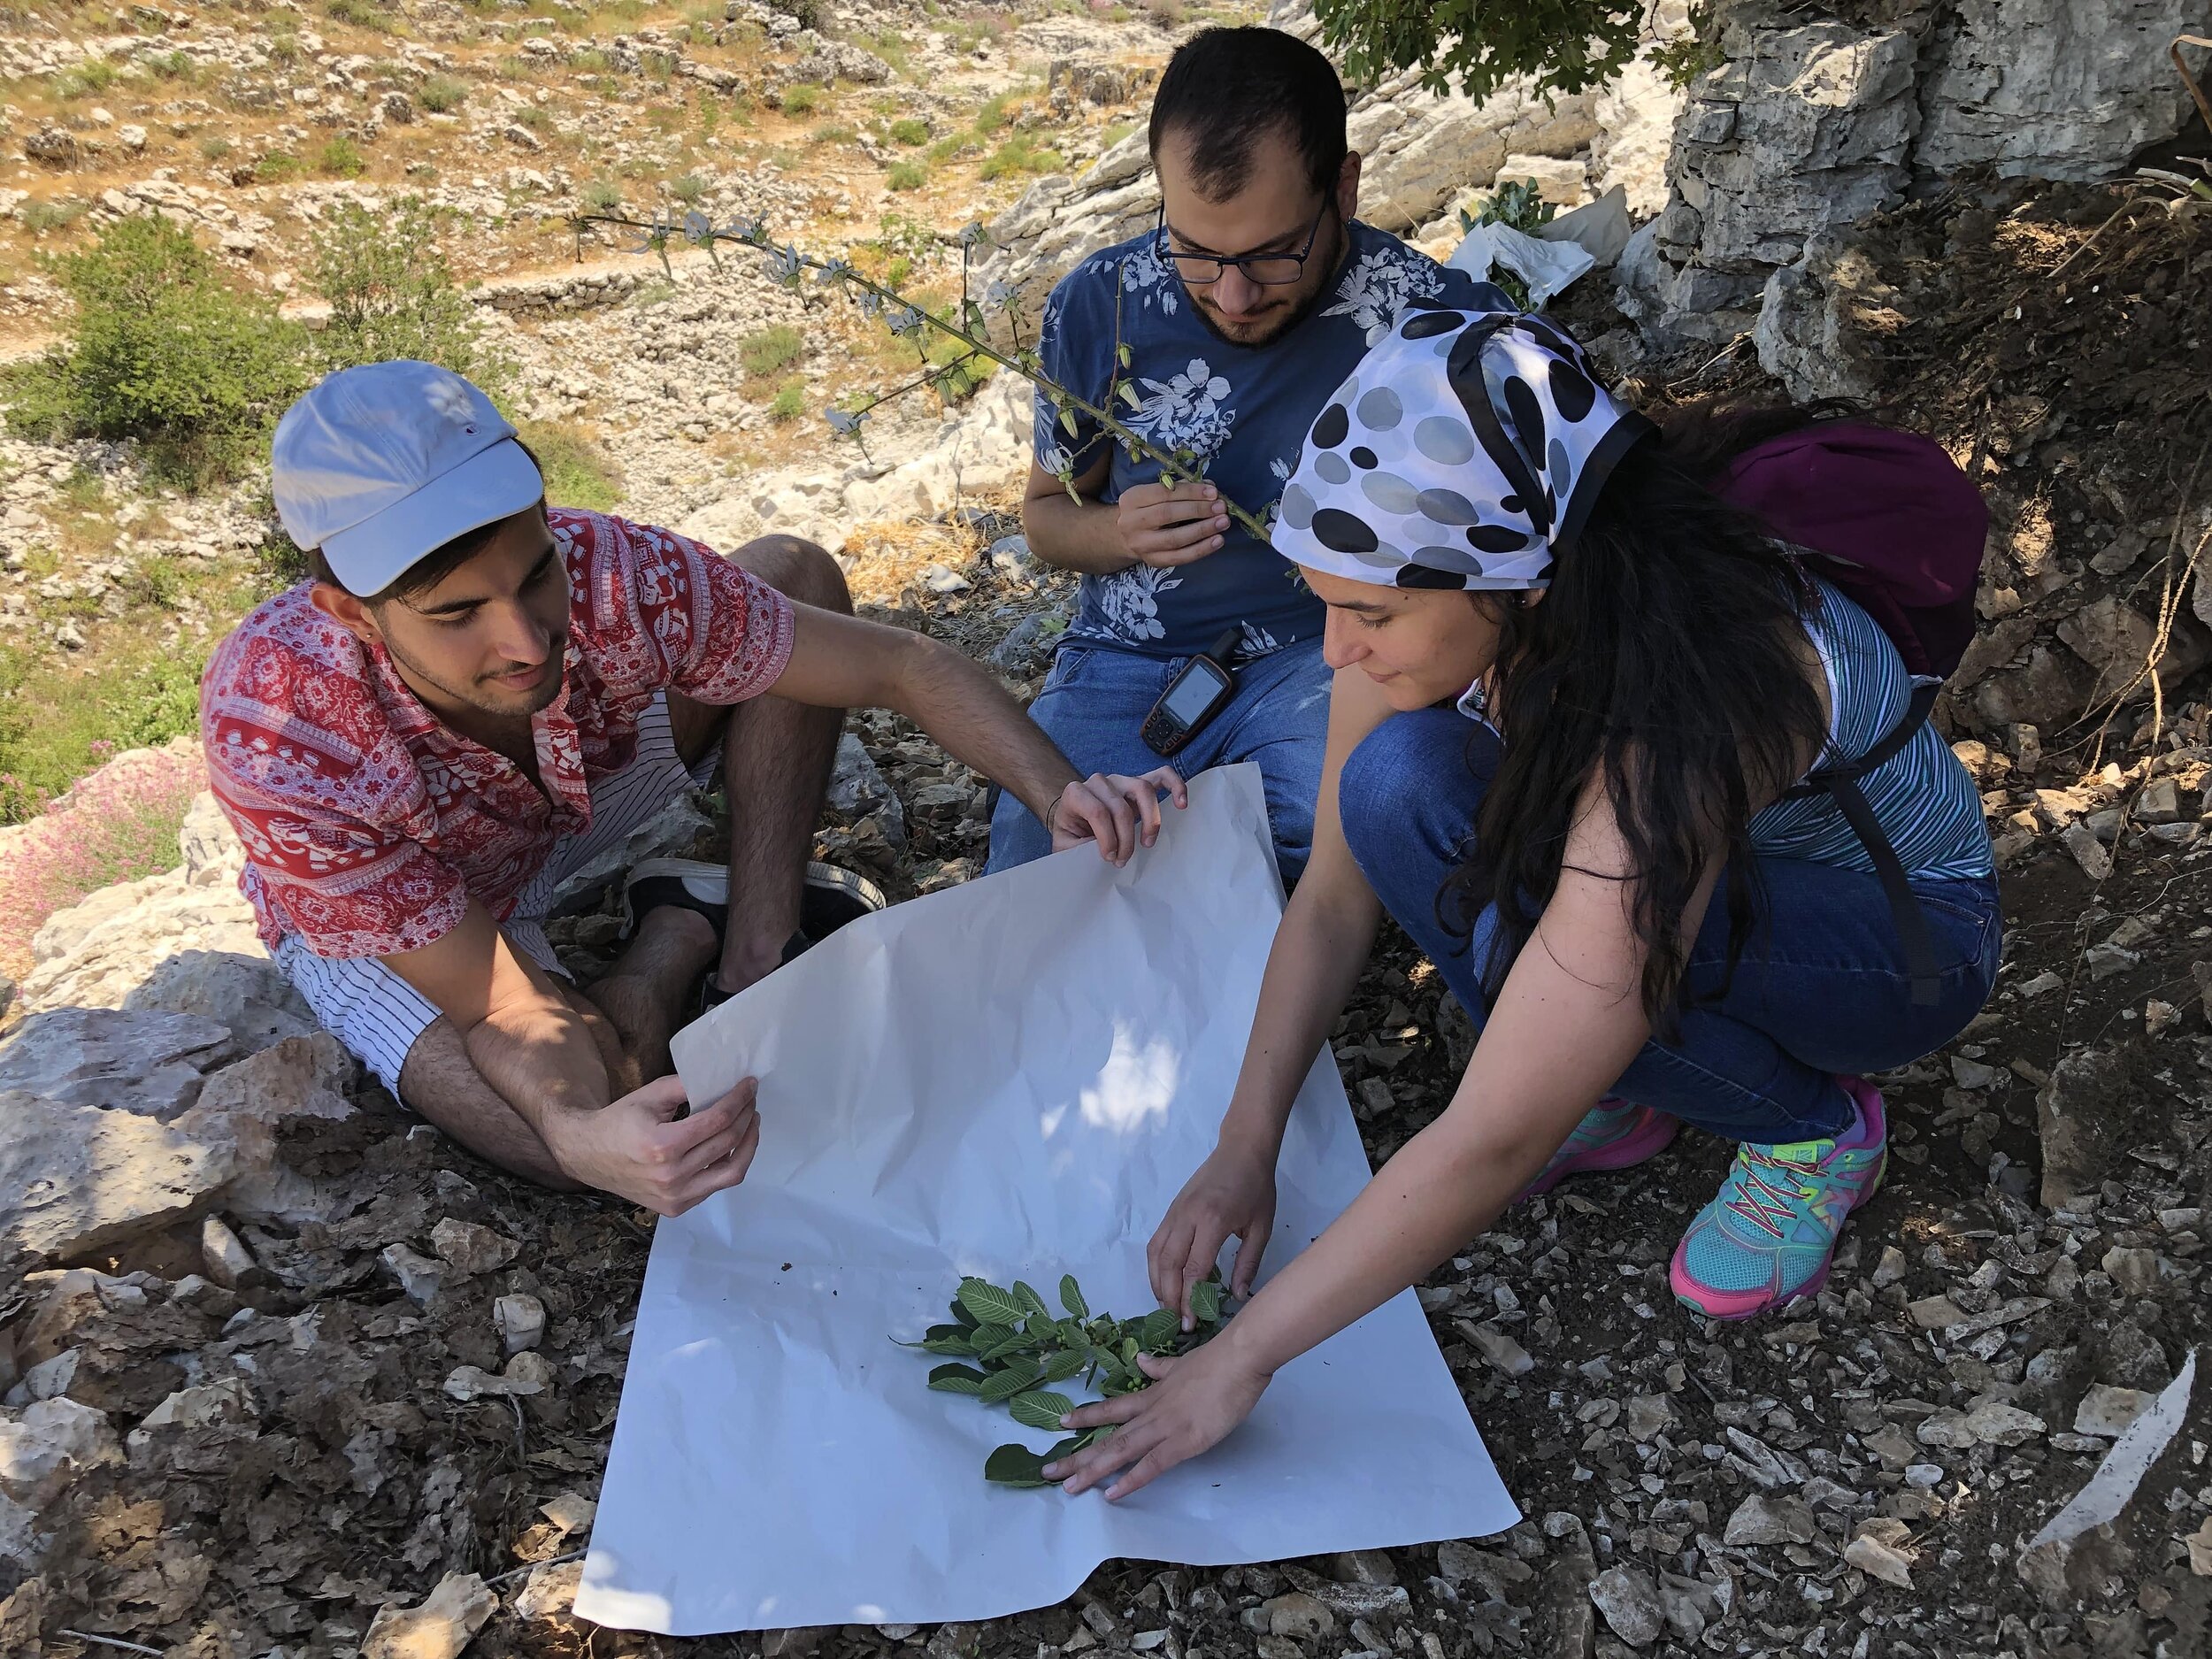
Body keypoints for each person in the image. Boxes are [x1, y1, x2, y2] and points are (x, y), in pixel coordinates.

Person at [1040, 304, 2002, 1499]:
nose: (1332, 650)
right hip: (1711, 876)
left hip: (1898, 944)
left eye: (1374, 613)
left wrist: (1236, 1360)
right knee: (1395, 782)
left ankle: (1811, 1126)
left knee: (1543, 950)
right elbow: (1335, 899)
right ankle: (1629, 1074)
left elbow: (1496, 1129)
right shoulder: (1486, 579)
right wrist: (1247, 1148)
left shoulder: (1693, 701)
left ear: (1517, 581)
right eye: (1325, 599)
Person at [203, 360, 1183, 1217]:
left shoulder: (611, 572)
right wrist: (576, 1127)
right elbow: (495, 1009)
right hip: (412, 909)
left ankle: (756, 961)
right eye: (458, 614)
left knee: (791, 578)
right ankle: (671, 937)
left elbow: (904, 665)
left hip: (562, 801)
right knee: (570, 1142)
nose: (527, 640)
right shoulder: (281, 732)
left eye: (535, 573)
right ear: (350, 612)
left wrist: (1057, 793)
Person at [987, 25, 1501, 880]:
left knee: (1341, 829)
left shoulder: (1436, 329)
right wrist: (1118, 534)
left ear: (1344, 187)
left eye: (1270, 254)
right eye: (1194, 251)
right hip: (1127, 662)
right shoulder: (1097, 308)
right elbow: (1045, 519)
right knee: (1040, 858)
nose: (1232, 295)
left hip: (1329, 658)